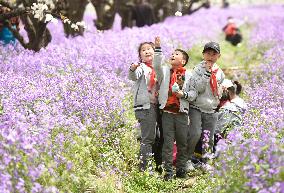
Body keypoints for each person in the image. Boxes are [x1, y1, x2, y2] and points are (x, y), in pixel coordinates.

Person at [153, 36, 195, 180]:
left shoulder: (189, 75)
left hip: (182, 113)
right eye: (172, 53)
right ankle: (168, 172)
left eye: (176, 54)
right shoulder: (165, 71)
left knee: (183, 142)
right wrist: (158, 49)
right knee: (168, 142)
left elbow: (194, 94)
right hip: (167, 113)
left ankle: (181, 169)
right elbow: (156, 65)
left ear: (183, 61)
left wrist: (182, 94)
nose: (173, 55)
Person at [186, 41, 225, 171]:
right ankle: (186, 159)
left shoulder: (220, 72)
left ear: (218, 56)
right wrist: (207, 74)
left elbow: (218, 91)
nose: (210, 56)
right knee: (195, 133)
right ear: (203, 55)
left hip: (212, 109)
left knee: (209, 137)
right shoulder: (197, 69)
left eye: (214, 54)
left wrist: (221, 92)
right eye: (208, 53)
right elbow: (198, 88)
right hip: (197, 107)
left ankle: (206, 161)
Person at [128, 41, 158, 172]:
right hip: (145, 106)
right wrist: (132, 68)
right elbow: (133, 76)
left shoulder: (158, 68)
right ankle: (145, 169)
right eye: (143, 50)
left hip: (156, 106)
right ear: (140, 55)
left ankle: (155, 164)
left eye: (149, 49)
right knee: (148, 138)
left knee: (156, 136)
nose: (147, 51)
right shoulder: (141, 67)